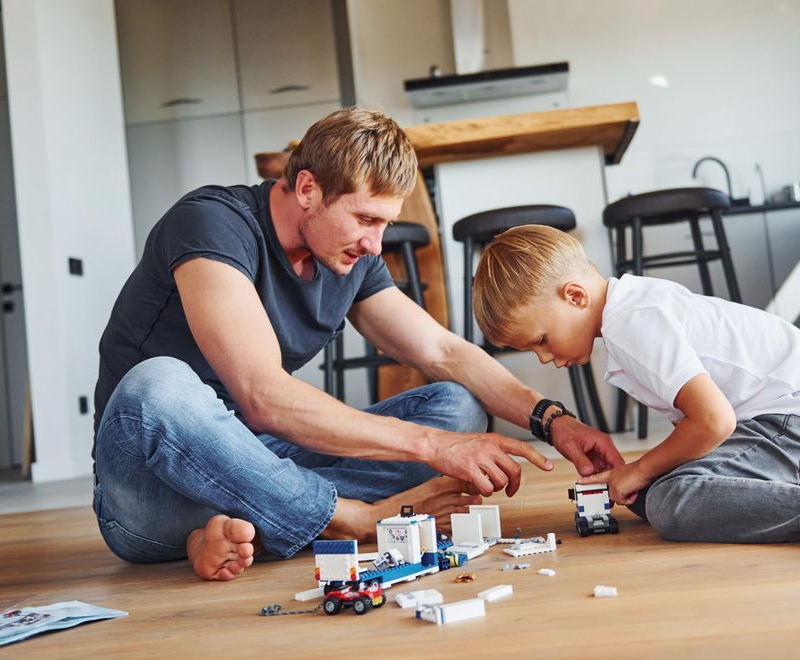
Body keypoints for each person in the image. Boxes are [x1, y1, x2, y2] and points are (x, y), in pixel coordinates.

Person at [91, 108, 623, 581]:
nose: (375, 244)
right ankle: (357, 518)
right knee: (157, 384)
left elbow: (445, 353)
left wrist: (556, 421)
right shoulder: (212, 224)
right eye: (366, 219)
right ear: (307, 190)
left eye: (385, 224)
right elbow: (262, 395)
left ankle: (241, 528)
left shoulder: (350, 256)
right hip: (151, 487)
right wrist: (434, 448)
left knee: (456, 404)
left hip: (261, 464)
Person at [471, 224, 800, 554]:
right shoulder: (630, 307)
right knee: (646, 494)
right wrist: (641, 476)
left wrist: (643, 467)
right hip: (784, 423)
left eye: (541, 341)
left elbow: (713, 421)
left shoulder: (632, 323)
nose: (545, 358)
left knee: (669, 501)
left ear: (574, 296)